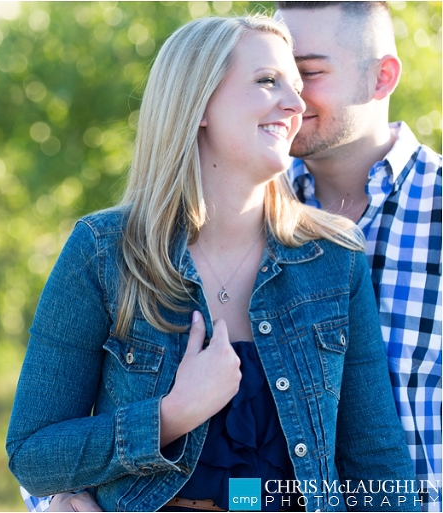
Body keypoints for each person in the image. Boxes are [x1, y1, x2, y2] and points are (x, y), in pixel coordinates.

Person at [29, 3, 442, 511]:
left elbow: (376, 468)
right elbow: (33, 453)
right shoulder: (104, 251)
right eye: (273, 79)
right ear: (197, 101)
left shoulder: (332, 257)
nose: (297, 102)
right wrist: (171, 416)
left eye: (305, 77)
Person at [273, 4, 442, 510]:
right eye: (272, 76)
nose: (288, 97)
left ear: (381, 77)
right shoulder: (238, 216)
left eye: (307, 73)